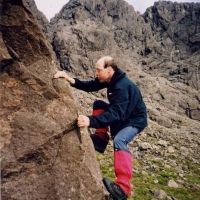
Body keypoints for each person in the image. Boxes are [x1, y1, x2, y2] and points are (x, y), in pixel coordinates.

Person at [54, 56, 147, 200]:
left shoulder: (121, 86)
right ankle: (100, 139)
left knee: (120, 141)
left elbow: (116, 113)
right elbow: (90, 85)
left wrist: (90, 121)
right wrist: (68, 79)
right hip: (124, 115)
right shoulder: (111, 79)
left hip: (135, 120)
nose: (96, 73)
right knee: (99, 104)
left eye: (98, 70)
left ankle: (123, 188)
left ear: (109, 70)